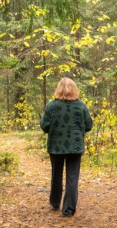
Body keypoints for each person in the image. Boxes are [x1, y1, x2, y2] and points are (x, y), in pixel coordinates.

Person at [39, 77, 93, 217]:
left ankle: (55, 202)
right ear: (75, 89)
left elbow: (44, 126)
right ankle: (68, 209)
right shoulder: (81, 105)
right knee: (72, 177)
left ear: (58, 89)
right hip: (75, 147)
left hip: (56, 147)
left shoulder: (52, 105)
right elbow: (89, 125)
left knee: (56, 174)